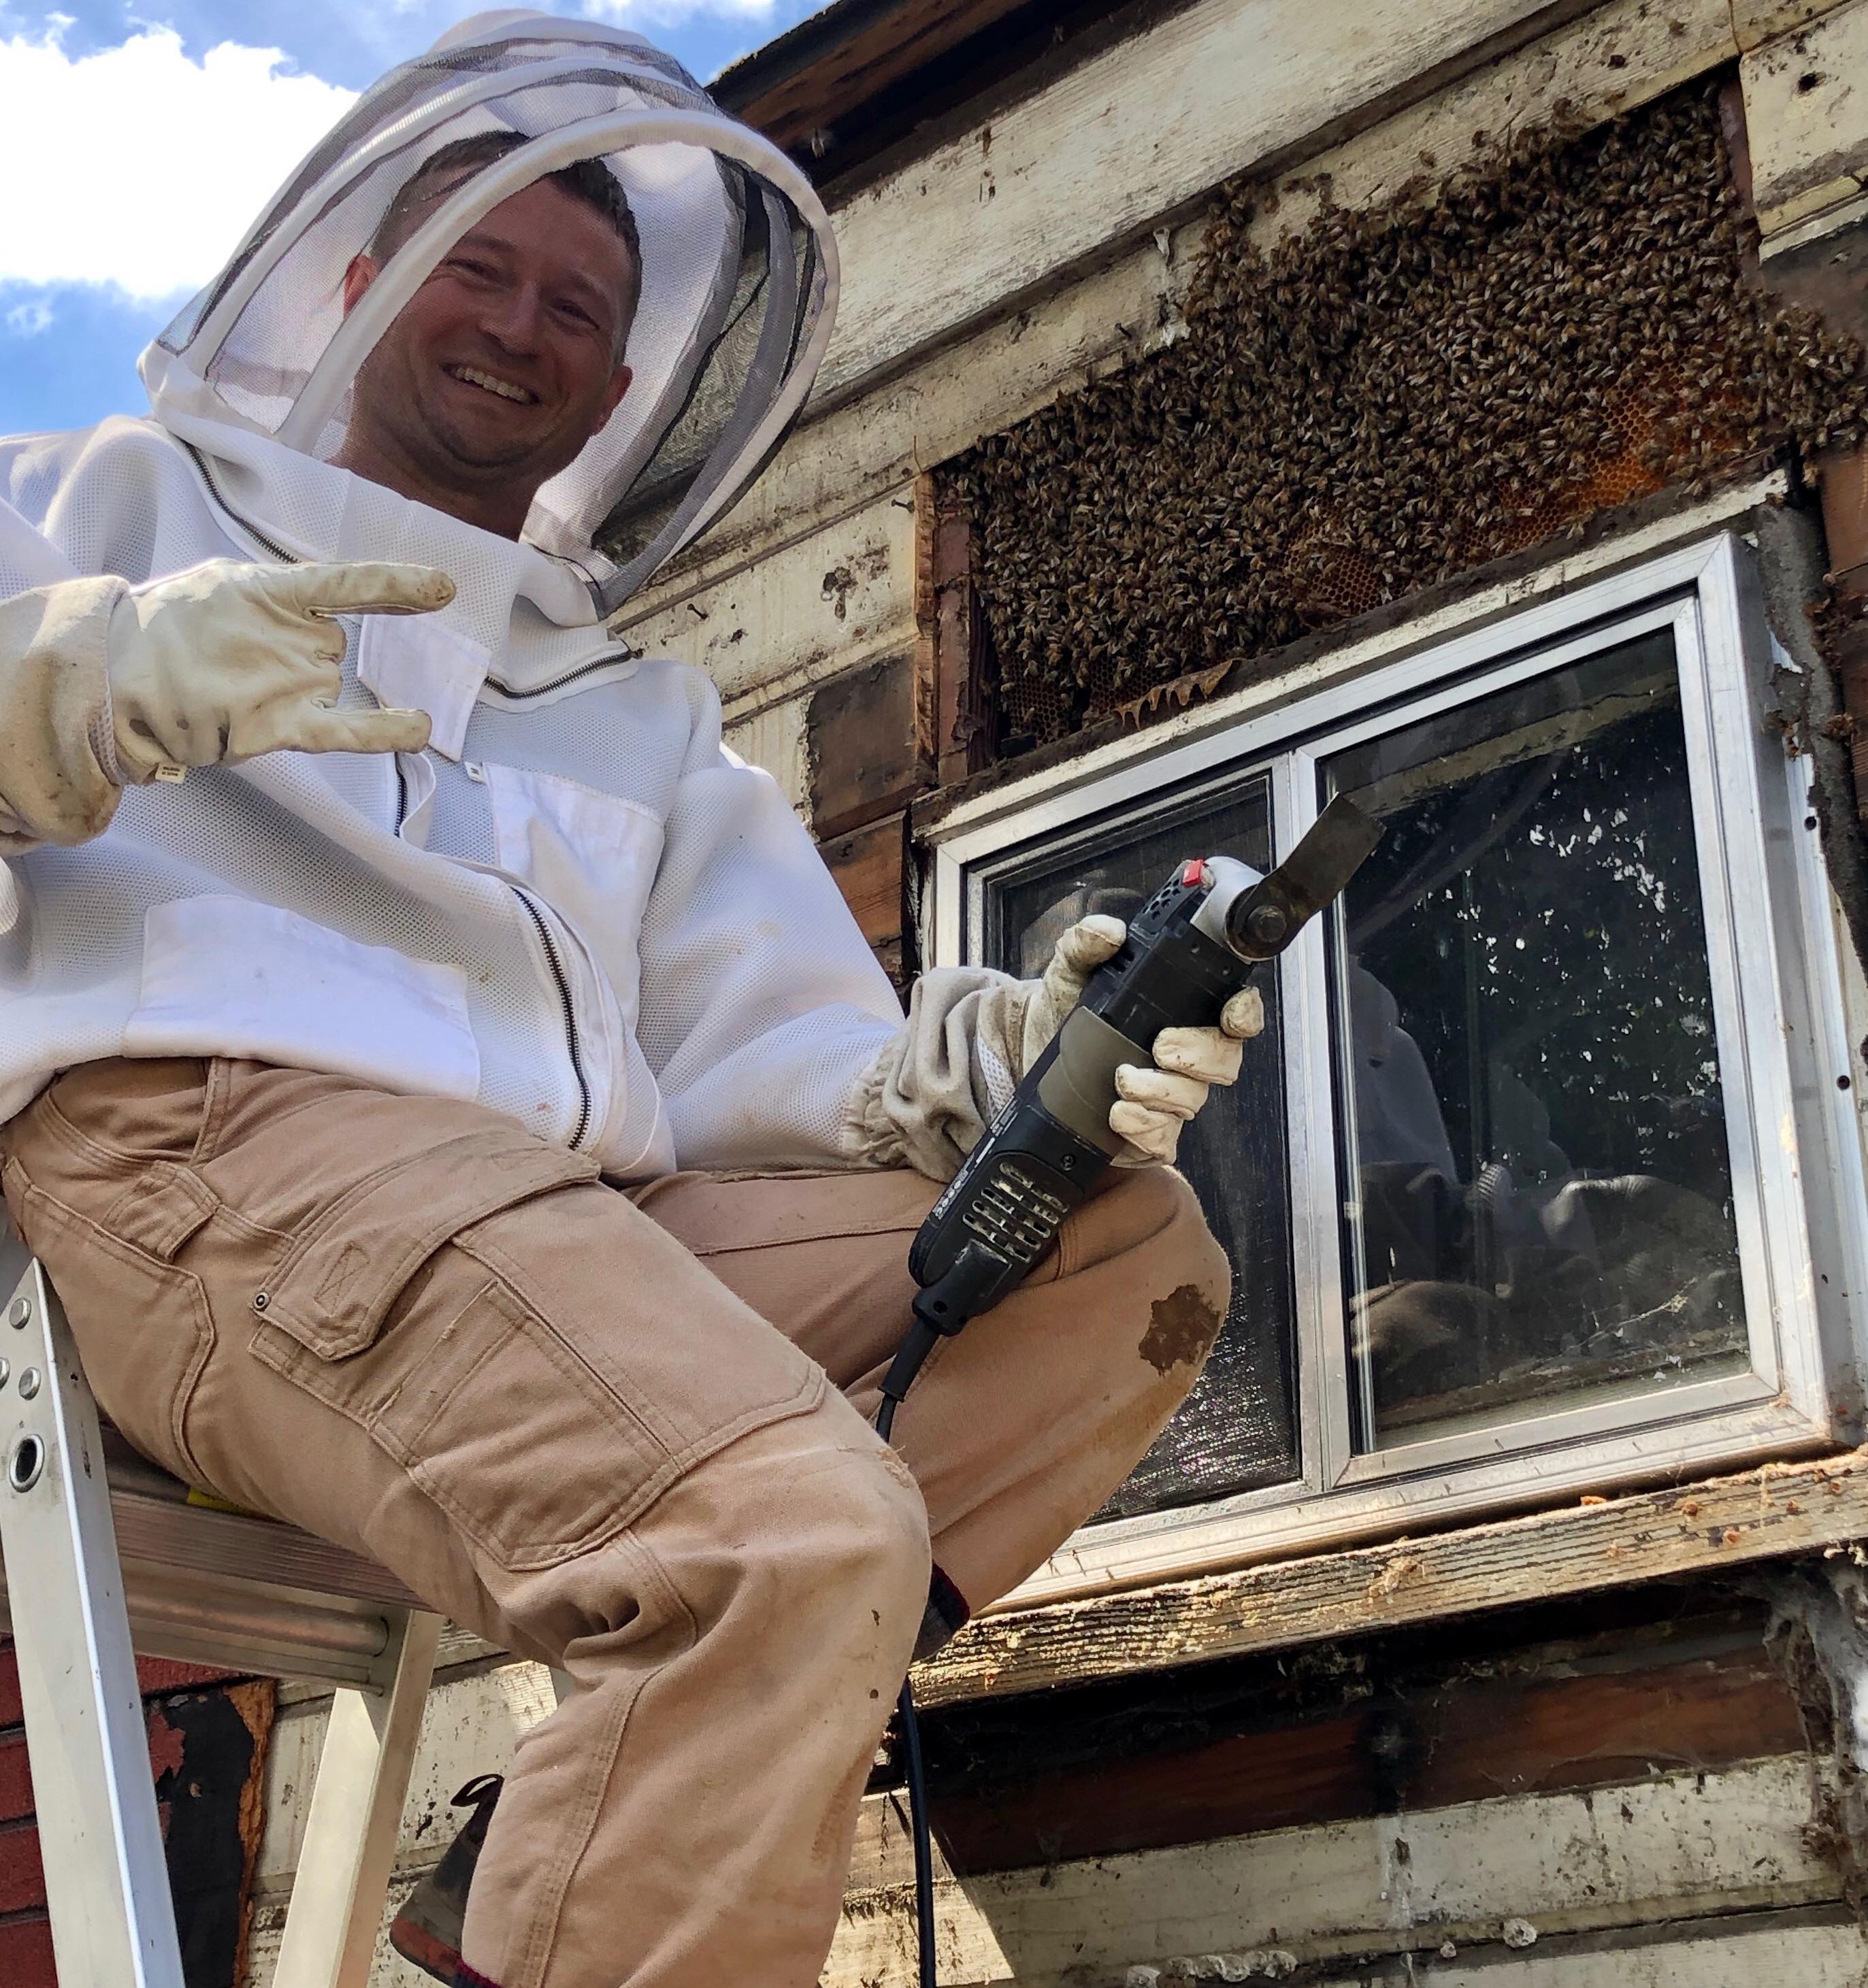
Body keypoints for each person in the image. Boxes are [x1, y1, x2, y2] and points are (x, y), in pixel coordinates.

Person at [0, 15, 1254, 1988]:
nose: (519, 327)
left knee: (1119, 1248)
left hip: (559, 1213)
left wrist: (977, 1074)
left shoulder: (633, 706)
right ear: (359, 278)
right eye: (476, 269)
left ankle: (587, 1815)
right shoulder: (97, 498)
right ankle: (680, 1723)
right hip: (211, 1159)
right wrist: (84, 680)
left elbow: (758, 1045)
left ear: (621, 386)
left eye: (576, 307)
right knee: (789, 1534)